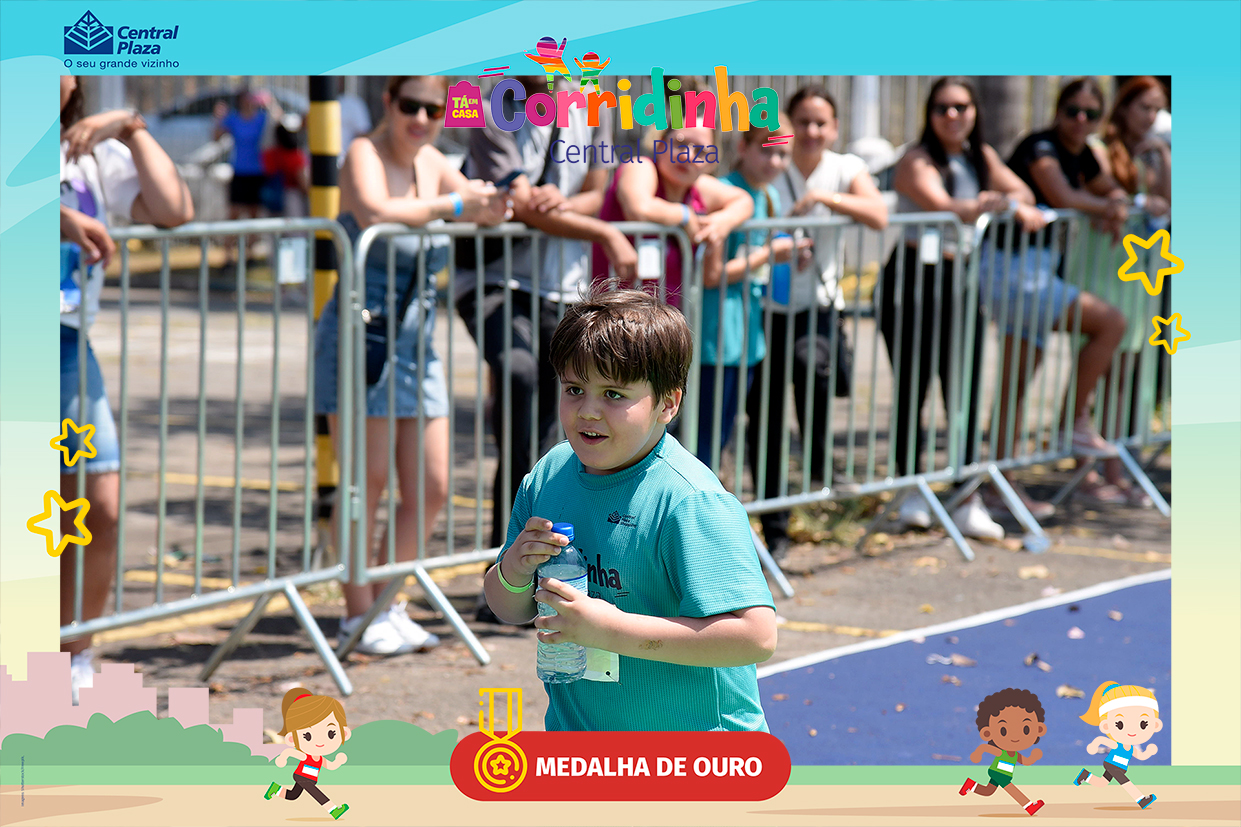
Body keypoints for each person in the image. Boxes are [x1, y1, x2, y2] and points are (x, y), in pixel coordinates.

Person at [482, 289, 778, 731]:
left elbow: (756, 636)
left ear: (668, 404)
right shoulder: (549, 476)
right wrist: (513, 570)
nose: (588, 411)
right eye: (574, 389)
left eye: (614, 394)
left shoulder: (690, 500)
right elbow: (509, 607)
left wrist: (612, 630)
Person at [314, 75, 507, 655]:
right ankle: (357, 616)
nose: (421, 118)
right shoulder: (363, 152)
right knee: (366, 484)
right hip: (363, 335)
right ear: (388, 102)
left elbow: (486, 210)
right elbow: (375, 209)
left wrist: (501, 196)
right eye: (410, 105)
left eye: (434, 108)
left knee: (431, 485)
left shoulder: (435, 161)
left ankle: (387, 605)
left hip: (419, 343)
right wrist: (455, 205)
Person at [456, 74, 638, 564]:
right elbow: (518, 203)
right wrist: (604, 233)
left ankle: (546, 558)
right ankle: (508, 560)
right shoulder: (490, 102)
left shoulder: (594, 102)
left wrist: (567, 207)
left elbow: (595, 190)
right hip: (495, 280)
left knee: (556, 432)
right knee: (518, 376)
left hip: (563, 289)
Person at [58, 75, 194, 703]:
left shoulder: (87, 153)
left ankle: (73, 652)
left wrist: (132, 127)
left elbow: (174, 209)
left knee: (97, 508)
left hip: (67, 346)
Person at [884, 78, 1050, 540]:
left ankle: (965, 497)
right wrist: (990, 204)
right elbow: (942, 204)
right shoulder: (917, 158)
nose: (952, 116)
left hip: (961, 280)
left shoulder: (982, 156)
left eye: (961, 107)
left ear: (975, 111)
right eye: (943, 107)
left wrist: (1007, 201)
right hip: (914, 280)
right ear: (929, 113)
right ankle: (911, 491)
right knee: (913, 388)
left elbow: (1024, 193)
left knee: (965, 389)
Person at [749, 85, 888, 561]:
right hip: (766, 309)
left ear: (835, 128)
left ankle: (818, 465)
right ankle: (776, 528)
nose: (811, 131)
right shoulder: (772, 160)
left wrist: (824, 198)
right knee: (765, 418)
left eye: (821, 122)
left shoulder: (844, 168)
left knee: (812, 368)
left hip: (820, 307)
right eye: (803, 122)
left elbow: (878, 213)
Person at [1001, 77, 1130, 506]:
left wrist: (1116, 201)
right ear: (1058, 111)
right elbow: (1063, 195)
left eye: (1090, 114)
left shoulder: (1085, 153)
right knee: (1111, 323)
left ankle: (1002, 485)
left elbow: (1107, 187)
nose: (1080, 120)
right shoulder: (1040, 146)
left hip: (1036, 271)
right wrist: (1107, 207)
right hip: (1014, 270)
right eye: (1073, 110)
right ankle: (1071, 424)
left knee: (1015, 383)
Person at [702, 124, 813, 470]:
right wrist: (768, 255)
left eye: (783, 154)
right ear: (743, 147)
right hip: (714, 333)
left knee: (723, 434)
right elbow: (711, 274)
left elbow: (760, 261)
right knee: (705, 437)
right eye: (766, 150)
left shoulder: (769, 196)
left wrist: (789, 255)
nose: (775, 161)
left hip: (748, 334)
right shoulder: (722, 192)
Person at [591, 121, 752, 308]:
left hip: (664, 318)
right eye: (680, 144)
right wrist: (684, 215)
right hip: (613, 312)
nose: (687, 156)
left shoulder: (697, 187)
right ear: (660, 144)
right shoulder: (641, 166)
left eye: (700, 151)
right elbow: (639, 208)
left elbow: (744, 201)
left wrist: (721, 222)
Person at [1073, 681, 1161, 809]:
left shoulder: (1131, 747)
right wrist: (1094, 746)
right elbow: (1102, 740)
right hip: (1112, 765)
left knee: (1102, 783)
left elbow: (1140, 756)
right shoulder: (1118, 744)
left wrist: (1149, 752)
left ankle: (1085, 776)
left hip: (1120, 766)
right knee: (1126, 783)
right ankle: (1141, 800)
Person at [213, 88, 279, 262]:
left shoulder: (261, 118)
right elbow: (216, 137)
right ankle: (228, 255)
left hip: (258, 172)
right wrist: (218, 118)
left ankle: (250, 255)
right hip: (239, 172)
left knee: (254, 215)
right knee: (233, 214)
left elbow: (279, 121)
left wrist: (270, 103)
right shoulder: (233, 119)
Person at [265, 687, 350, 819]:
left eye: (330, 734)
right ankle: (333, 810)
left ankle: (275, 789)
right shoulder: (306, 755)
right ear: (292, 739)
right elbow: (291, 753)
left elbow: (331, 765)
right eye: (308, 736)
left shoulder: (320, 758)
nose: (320, 742)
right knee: (318, 795)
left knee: (293, 795)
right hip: (302, 777)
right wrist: (283, 758)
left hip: (310, 778)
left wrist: (338, 761)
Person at [958, 688, 1046, 816]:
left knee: (988, 791)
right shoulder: (1002, 752)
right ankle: (1029, 806)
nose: (1015, 736)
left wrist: (1034, 757)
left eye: (1025, 730)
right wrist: (977, 754)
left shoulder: (1015, 754)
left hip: (1004, 774)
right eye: (1004, 731)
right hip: (998, 773)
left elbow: (1026, 762)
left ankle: (971, 785)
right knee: (1011, 789)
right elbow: (985, 748)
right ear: (988, 733)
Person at [261, 114, 309, 218]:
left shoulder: (269, 154)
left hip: (271, 198)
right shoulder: (296, 156)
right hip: (292, 197)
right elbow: (302, 182)